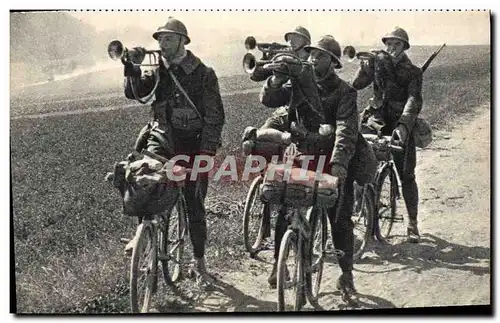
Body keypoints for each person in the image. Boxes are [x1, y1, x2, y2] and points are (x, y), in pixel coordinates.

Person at [258, 35, 377, 300]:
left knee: (339, 217)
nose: (312, 58)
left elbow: (346, 132)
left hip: (333, 158)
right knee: (285, 203)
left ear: (333, 62)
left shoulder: (345, 92)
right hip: (303, 154)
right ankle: (281, 264)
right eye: (311, 54)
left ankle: (346, 276)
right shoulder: (299, 83)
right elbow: (269, 99)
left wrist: (337, 166)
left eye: (320, 56)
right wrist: (276, 79)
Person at [122, 17, 226, 279]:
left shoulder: (203, 74)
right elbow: (135, 93)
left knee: (194, 202)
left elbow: (215, 117)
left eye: (168, 38)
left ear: (182, 41)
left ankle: (199, 261)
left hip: (194, 144)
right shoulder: (158, 70)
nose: (162, 44)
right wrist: (131, 68)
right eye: (159, 39)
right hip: (163, 139)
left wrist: (206, 152)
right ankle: (143, 234)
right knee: (145, 178)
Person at [352, 27, 423, 243]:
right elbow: (357, 85)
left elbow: (414, 100)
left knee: (406, 174)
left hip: (400, 121)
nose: (391, 48)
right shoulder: (378, 65)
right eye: (389, 44)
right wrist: (364, 68)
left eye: (396, 44)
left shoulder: (413, 72)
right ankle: (360, 206)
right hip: (377, 119)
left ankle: (412, 223)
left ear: (404, 47)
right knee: (359, 160)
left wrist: (403, 125)